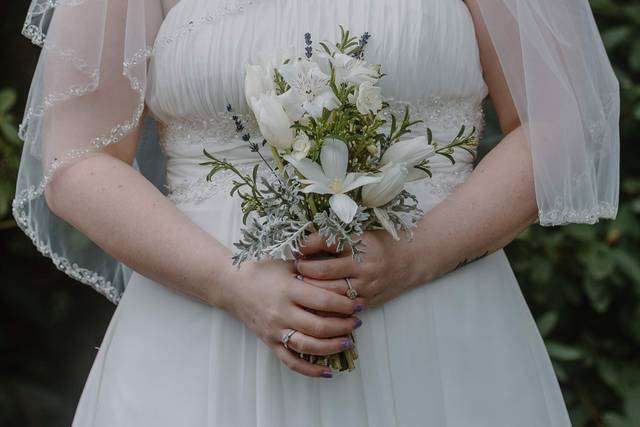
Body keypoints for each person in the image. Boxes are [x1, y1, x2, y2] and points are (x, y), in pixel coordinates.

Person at [13, 0, 619, 425]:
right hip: (202, 331)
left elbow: (561, 119)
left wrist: (416, 257)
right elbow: (77, 158)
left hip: (436, 326)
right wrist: (232, 281)